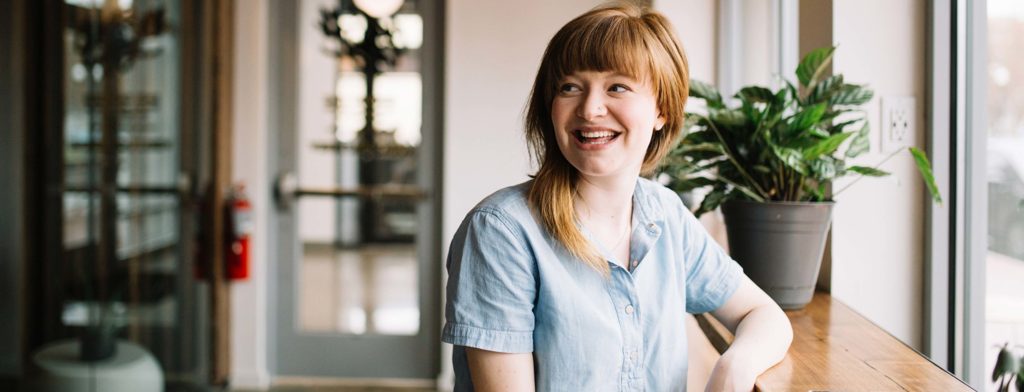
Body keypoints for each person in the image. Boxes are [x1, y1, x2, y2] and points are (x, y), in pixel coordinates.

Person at [441, 3, 792, 391]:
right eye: (570, 87)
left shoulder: (665, 213)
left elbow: (763, 314)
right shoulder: (501, 232)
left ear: (662, 109)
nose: (590, 109)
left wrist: (734, 368)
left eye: (617, 87)